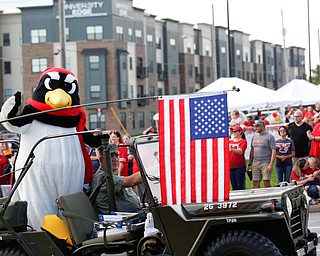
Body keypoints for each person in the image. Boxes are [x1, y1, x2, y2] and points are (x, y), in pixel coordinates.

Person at [91, 144, 142, 214]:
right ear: (101, 159)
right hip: (119, 220)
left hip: (132, 214)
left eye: (117, 156)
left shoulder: (113, 174)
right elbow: (132, 181)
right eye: (111, 156)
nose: (115, 159)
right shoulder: (103, 176)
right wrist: (150, 171)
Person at [247, 120, 276, 188]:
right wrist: (250, 164)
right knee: (255, 182)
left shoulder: (270, 137)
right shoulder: (254, 136)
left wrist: (271, 164)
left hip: (265, 162)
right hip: (255, 162)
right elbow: (252, 150)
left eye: (257, 126)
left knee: (266, 181)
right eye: (255, 126)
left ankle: (269, 196)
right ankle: (258, 197)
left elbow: (273, 150)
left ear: (263, 127)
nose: (256, 128)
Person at [229, 126, 247, 190]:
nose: (233, 133)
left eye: (235, 131)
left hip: (239, 166)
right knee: (233, 185)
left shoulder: (243, 142)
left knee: (240, 184)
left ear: (240, 132)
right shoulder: (230, 141)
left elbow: (240, 151)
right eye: (233, 131)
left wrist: (231, 149)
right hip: (230, 165)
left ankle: (241, 199)